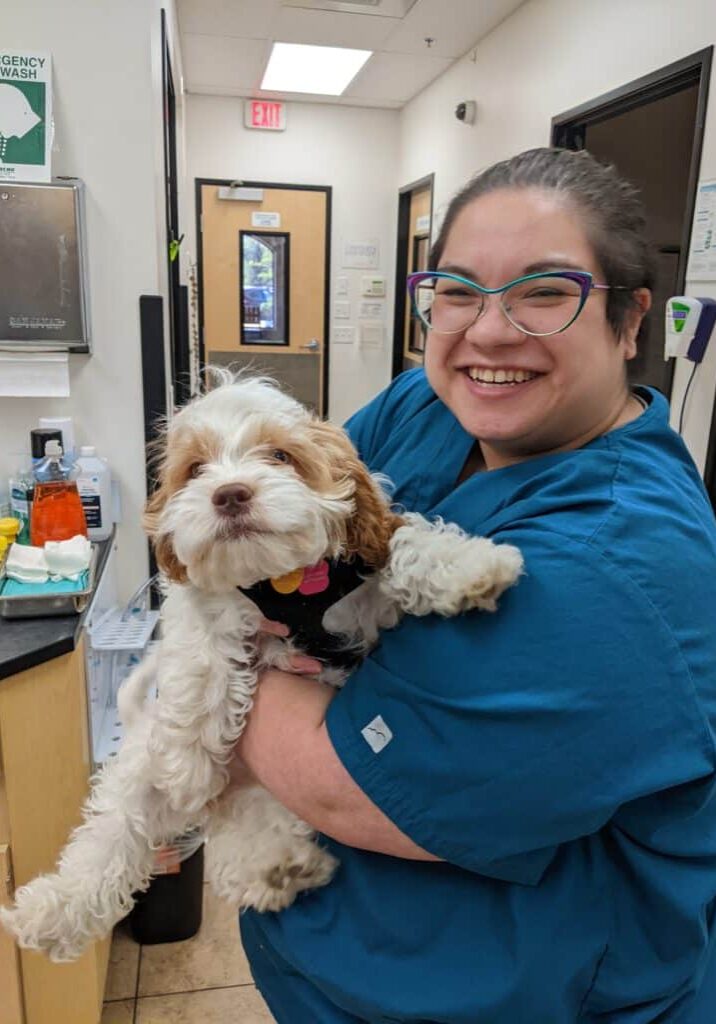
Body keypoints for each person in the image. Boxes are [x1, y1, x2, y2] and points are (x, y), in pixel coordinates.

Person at [234, 147, 716, 1023]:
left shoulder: (615, 566)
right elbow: (281, 530)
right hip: (337, 964)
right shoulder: (429, 404)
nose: (489, 334)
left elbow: (347, 784)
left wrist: (222, 670)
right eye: (456, 291)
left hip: (506, 998)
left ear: (630, 319)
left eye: (545, 292)